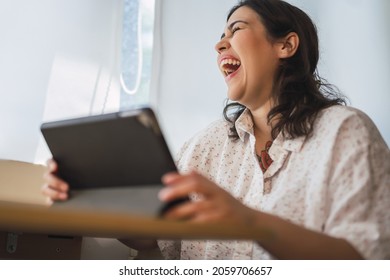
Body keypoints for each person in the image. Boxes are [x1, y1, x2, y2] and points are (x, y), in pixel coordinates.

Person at [42, 0, 390, 259]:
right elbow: (154, 241)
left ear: (286, 45)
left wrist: (249, 222)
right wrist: (97, 197)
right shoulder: (204, 145)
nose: (220, 44)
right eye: (220, 35)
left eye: (236, 30)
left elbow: (368, 260)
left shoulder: (346, 131)